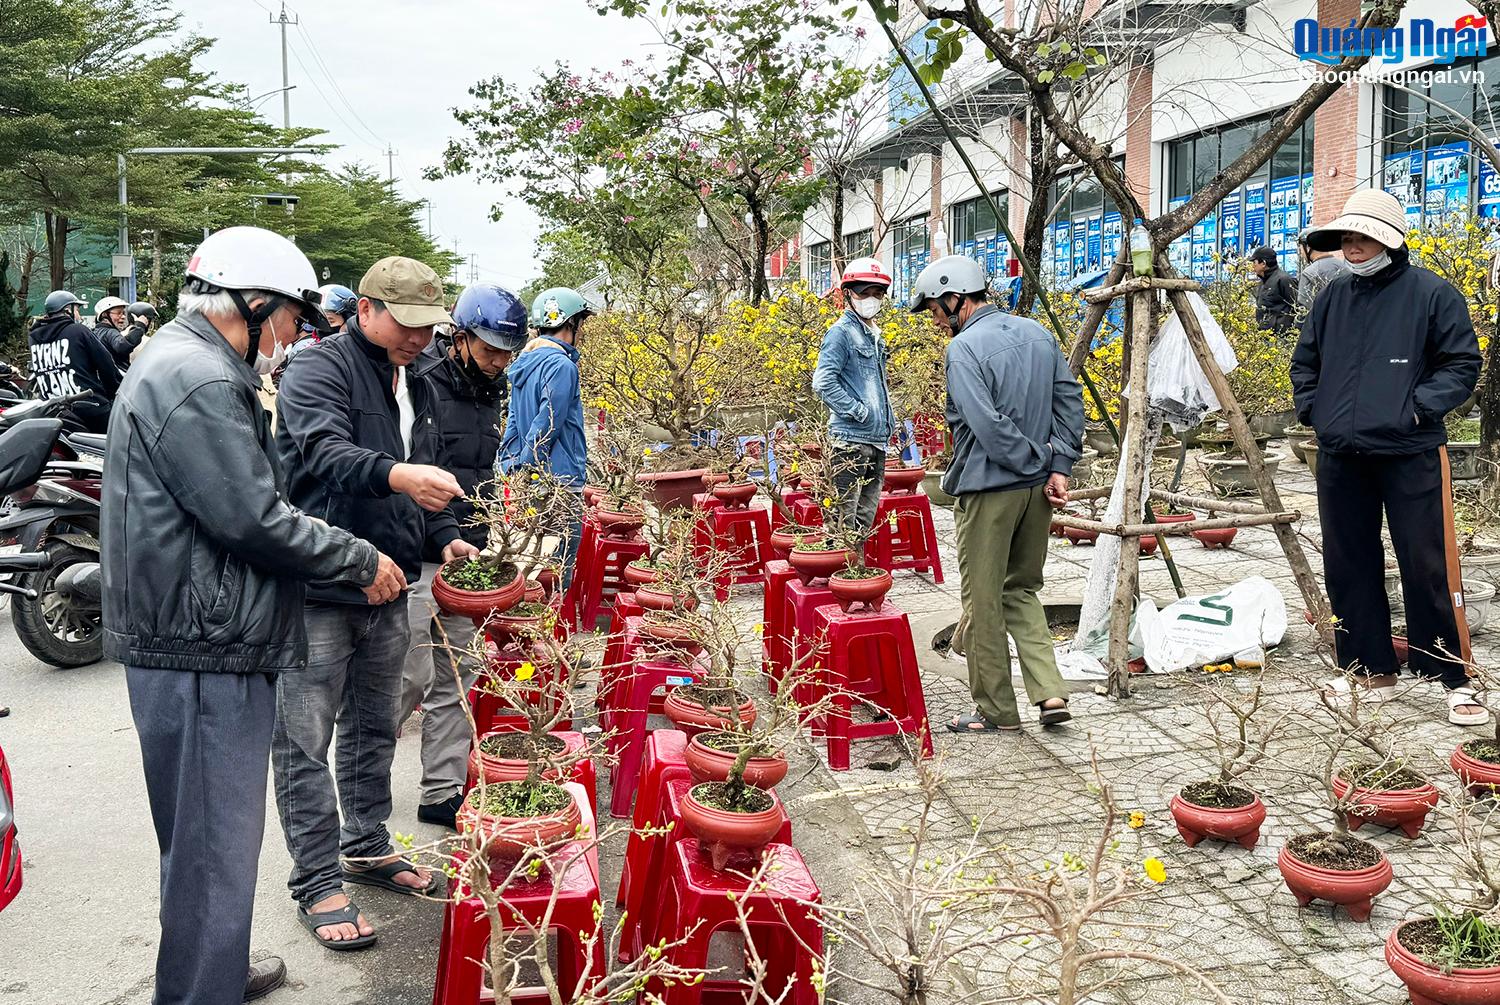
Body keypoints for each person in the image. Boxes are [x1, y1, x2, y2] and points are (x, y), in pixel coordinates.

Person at [100, 226, 406, 1005]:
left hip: (195, 639)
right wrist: (358, 558)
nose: (293, 340)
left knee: (206, 845)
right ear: (255, 304)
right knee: (212, 851)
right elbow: (254, 518)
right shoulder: (199, 379)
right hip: (201, 651)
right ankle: (204, 989)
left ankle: (214, 969)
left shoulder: (181, 361)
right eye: (293, 322)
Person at [273, 256, 476, 949]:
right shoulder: (316, 369)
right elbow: (324, 453)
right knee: (304, 737)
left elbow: (431, 470)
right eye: (406, 323)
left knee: (374, 727)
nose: (420, 338)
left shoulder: (415, 377)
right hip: (322, 584)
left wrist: (445, 536)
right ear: (364, 309)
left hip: (391, 582)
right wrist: (397, 475)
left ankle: (366, 844)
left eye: (429, 326)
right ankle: (316, 879)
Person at [1292, 188, 1486, 726]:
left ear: (1390, 239)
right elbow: (1305, 362)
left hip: (1411, 450)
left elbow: (1461, 364)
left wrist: (1416, 408)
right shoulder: (1332, 296)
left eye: (1365, 236)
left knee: (1428, 563)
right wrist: (1315, 410)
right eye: (1348, 237)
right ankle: (1368, 668)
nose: (1354, 246)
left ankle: (1451, 674)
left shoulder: (1432, 293)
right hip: (1340, 453)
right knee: (1348, 562)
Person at [908, 254, 1082, 732]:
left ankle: (995, 711)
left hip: (991, 490)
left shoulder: (963, 350)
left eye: (938, 311)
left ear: (955, 297)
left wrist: (1030, 459)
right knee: (1022, 589)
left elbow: (987, 425)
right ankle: (1049, 694)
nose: (939, 323)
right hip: (1038, 489)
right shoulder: (1039, 334)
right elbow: (1069, 405)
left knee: (983, 602)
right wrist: (1056, 465)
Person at [399, 283, 527, 829]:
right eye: (489, 349)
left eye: (506, 352)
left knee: (458, 672)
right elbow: (414, 468)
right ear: (459, 338)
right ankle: (359, 799)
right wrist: (441, 533)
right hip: (420, 554)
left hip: (469, 551)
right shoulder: (420, 383)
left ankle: (442, 790)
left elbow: (482, 470)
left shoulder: (491, 390)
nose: (498, 361)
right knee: (404, 677)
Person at [498, 287, 589, 587]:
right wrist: (530, 464)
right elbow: (548, 422)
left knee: (533, 552)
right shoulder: (562, 365)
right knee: (562, 559)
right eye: (580, 323)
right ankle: (553, 619)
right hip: (560, 478)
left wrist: (511, 465)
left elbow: (513, 420)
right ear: (570, 324)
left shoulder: (524, 364)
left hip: (534, 478)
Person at [812, 257, 896, 542]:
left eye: (877, 293)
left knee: (863, 521)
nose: (870, 299)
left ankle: (853, 572)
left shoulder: (874, 335)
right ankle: (838, 578)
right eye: (863, 292)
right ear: (848, 293)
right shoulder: (841, 333)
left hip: (875, 440)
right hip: (849, 439)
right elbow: (823, 382)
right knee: (842, 523)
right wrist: (859, 412)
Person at [28, 289, 121, 433]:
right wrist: (114, 393)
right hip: (90, 407)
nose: (80, 316)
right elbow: (107, 366)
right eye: (77, 310)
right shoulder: (78, 331)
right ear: (67, 310)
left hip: (53, 412)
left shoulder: (33, 337)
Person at [272, 284, 355, 386]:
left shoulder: (361, 357)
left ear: (350, 321)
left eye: (330, 321)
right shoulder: (304, 354)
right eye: (320, 322)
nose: (323, 328)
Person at [1296, 227, 1351, 313]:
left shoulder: (1309, 273)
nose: (1301, 253)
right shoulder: (1345, 267)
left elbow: (1305, 308)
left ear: (1308, 247)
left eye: (1300, 248)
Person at [1248, 246, 1297, 338]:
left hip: (1281, 337)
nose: (1252, 266)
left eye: (1254, 263)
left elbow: (1296, 307)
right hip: (1266, 335)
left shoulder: (1284, 280)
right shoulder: (1263, 281)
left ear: (1263, 263)